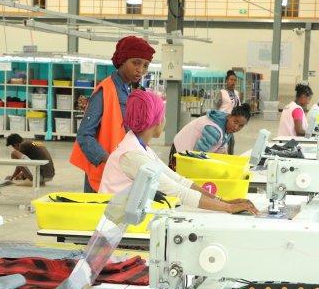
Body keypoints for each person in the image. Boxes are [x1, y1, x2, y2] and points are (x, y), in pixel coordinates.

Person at [100, 89, 258, 215]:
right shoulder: (132, 155)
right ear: (155, 120)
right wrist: (227, 208)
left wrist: (223, 200)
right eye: (163, 115)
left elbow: (179, 180)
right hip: (115, 220)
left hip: (125, 212)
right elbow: (176, 190)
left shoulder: (140, 147)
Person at [72, 35, 155, 192]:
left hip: (123, 170)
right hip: (104, 170)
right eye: (136, 63)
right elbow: (84, 135)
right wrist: (111, 161)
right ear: (122, 60)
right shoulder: (106, 90)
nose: (141, 70)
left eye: (145, 65)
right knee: (99, 215)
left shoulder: (130, 90)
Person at [171, 103, 252, 161]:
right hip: (181, 148)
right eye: (235, 122)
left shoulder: (227, 125)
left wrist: (229, 161)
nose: (236, 127)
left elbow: (220, 147)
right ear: (230, 116)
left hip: (192, 151)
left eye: (241, 126)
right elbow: (198, 153)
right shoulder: (215, 130)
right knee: (178, 180)